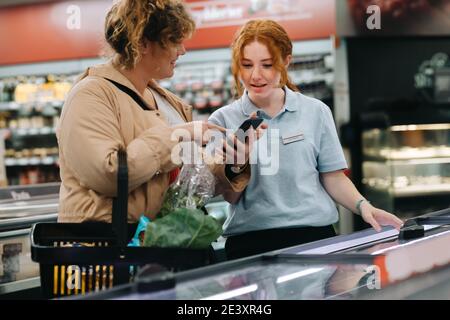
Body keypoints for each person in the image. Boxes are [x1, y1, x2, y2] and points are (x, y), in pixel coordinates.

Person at [208, 19, 404, 260]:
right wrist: (241, 158)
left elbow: (332, 177)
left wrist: (365, 207)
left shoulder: (316, 111)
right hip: (251, 245)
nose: (255, 75)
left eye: (267, 65)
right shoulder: (223, 119)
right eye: (246, 65)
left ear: (286, 62)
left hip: (315, 238)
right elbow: (231, 196)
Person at [57, 0, 255, 223]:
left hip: (161, 243)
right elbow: (109, 174)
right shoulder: (91, 95)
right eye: (174, 41)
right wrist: (176, 136)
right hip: (110, 248)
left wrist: (233, 162)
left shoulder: (166, 102)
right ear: (142, 43)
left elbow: (190, 184)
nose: (182, 50)